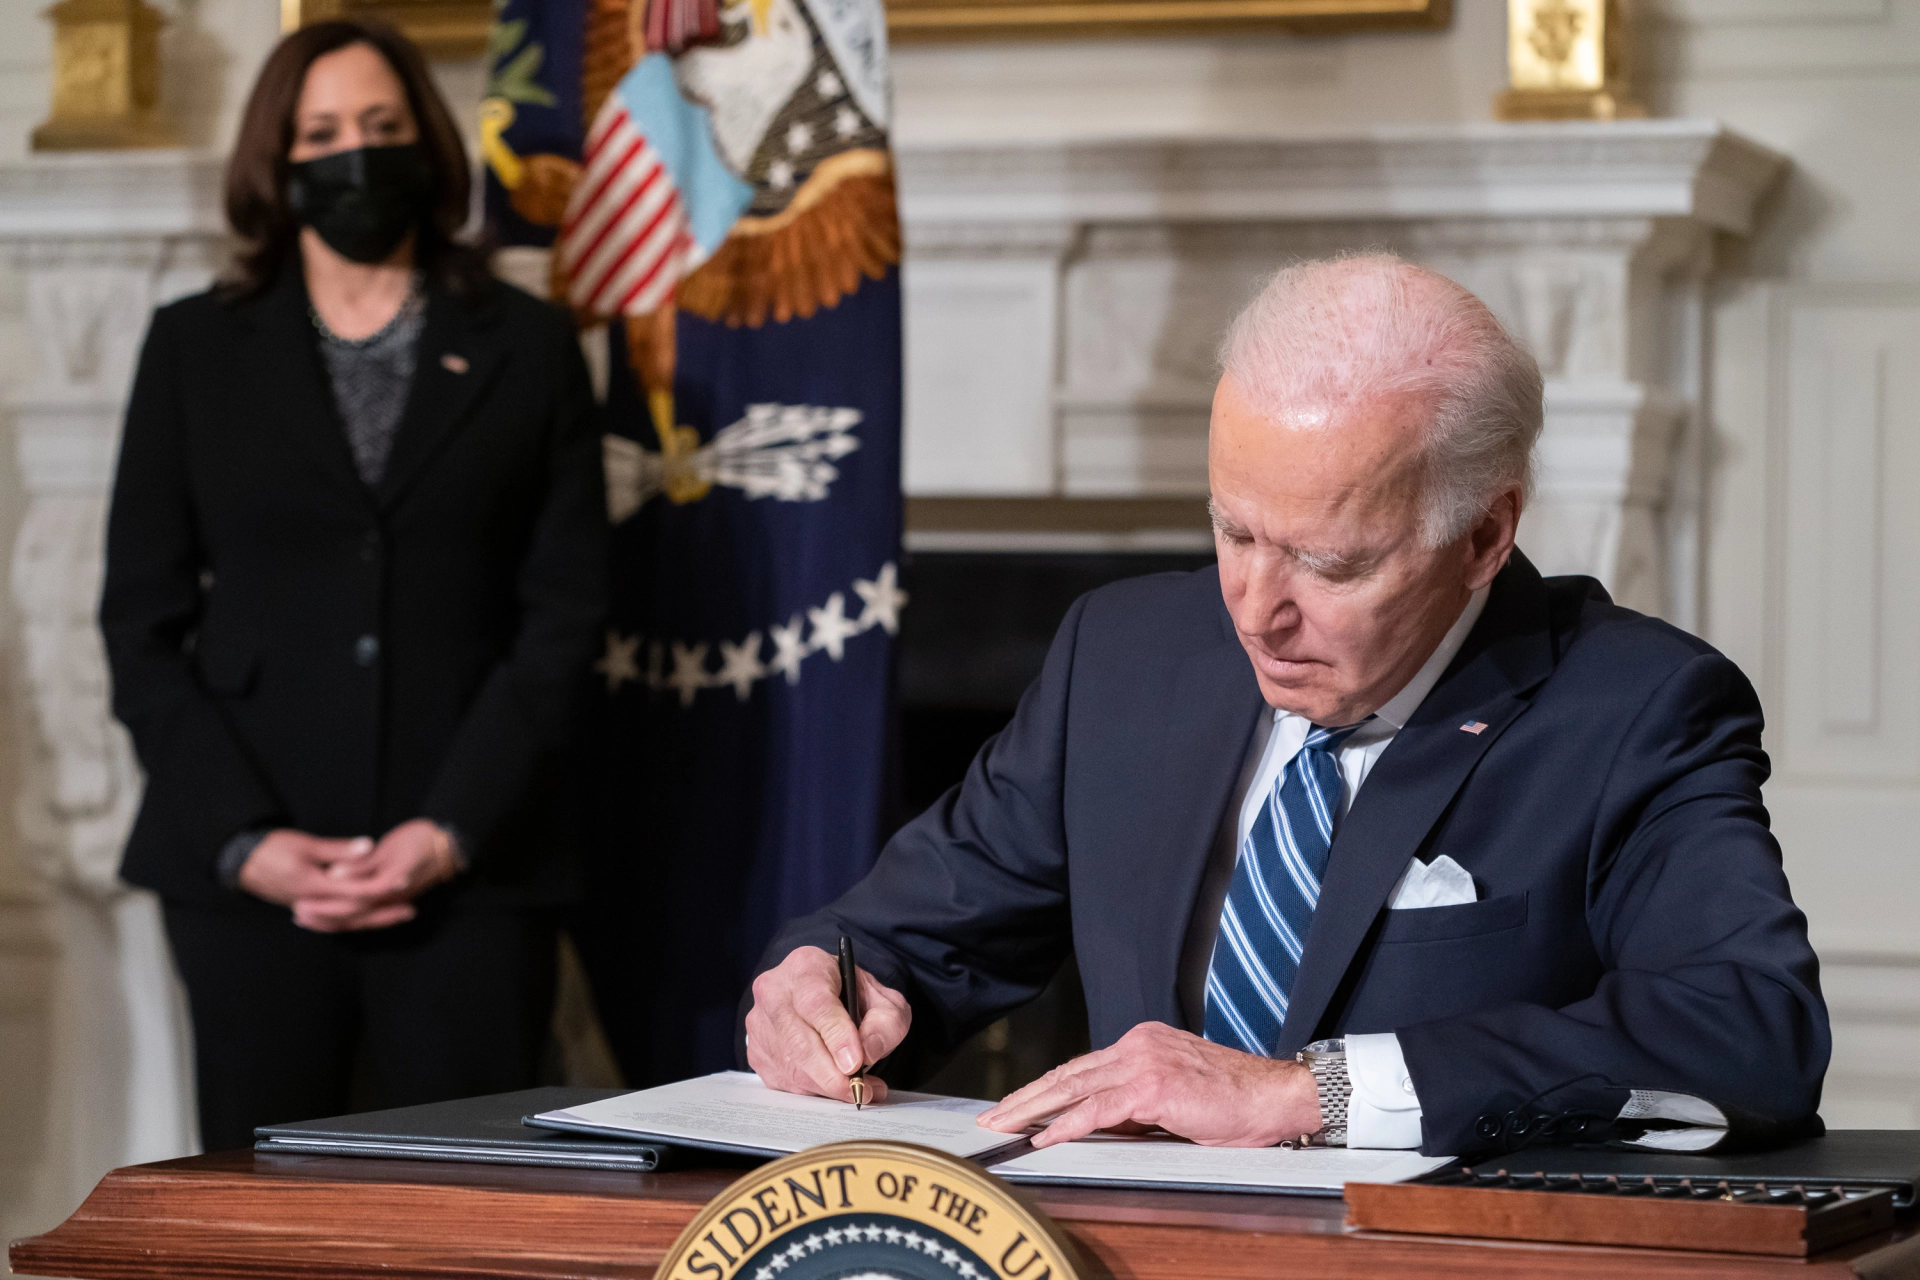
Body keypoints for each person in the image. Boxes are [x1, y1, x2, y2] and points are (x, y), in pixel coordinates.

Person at [743, 254, 1830, 1157]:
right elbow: (905, 937)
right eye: (1234, 530)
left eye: (1329, 562)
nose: (1256, 610)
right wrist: (827, 985)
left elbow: (1749, 1029)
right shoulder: (1123, 656)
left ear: (1486, 536)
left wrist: (1310, 1092)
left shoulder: (1635, 709)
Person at [99, 20, 607, 1151]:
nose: (355, 155)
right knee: (260, 1222)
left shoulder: (529, 343)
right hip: (248, 882)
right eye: (321, 133)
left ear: (427, 142)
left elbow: (565, 616)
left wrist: (450, 828)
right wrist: (246, 840)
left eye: (381, 128)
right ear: (273, 162)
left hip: (474, 869)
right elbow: (142, 620)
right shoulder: (192, 347)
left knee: (469, 1214)